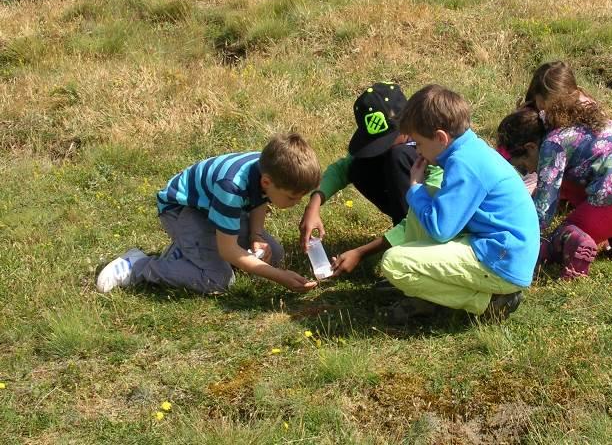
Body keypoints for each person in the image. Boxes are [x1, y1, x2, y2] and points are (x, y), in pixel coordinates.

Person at [374, 84, 540, 323]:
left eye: (419, 143)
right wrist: (420, 193)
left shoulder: (465, 165)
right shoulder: (467, 151)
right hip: (498, 249)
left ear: (441, 138)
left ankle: (487, 303)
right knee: (428, 195)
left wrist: (413, 189)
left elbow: (441, 230)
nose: (417, 150)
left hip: (501, 260)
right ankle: (419, 288)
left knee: (393, 263)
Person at [496, 61, 612, 279]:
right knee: (583, 188)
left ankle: (578, 250)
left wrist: (524, 236)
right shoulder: (592, 112)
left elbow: (543, 213)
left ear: (540, 103)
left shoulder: (555, 142)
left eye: (539, 108)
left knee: (560, 238)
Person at [96, 133, 321, 295]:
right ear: (267, 181)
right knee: (219, 280)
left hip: (212, 210)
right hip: (183, 211)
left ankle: (191, 251)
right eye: (292, 197)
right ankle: (140, 266)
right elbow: (229, 249)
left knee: (276, 254)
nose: (296, 203)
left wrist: (257, 235)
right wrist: (277, 276)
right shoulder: (231, 187)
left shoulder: (269, 168)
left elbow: (260, 200)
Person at [298, 82, 420, 249]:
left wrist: (361, 253)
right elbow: (342, 169)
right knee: (359, 167)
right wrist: (314, 204)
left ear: (407, 125)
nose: (382, 148)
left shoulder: (431, 146)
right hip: (411, 212)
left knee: (398, 156)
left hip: (432, 215)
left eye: (386, 141)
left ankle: (411, 240)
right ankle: (401, 230)